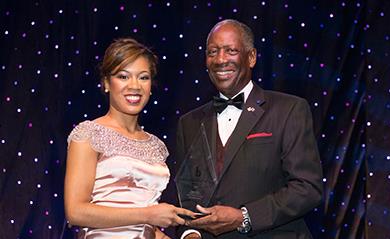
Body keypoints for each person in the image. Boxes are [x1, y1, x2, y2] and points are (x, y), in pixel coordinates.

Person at [175, 19, 323, 239]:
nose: (220, 60)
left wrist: (245, 217)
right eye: (212, 52)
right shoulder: (189, 122)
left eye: (230, 50)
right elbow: (186, 196)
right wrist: (191, 233)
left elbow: (307, 188)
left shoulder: (289, 109)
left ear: (251, 57)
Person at [64, 38, 195, 239]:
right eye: (123, 76)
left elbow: (144, 227)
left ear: (151, 86)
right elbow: (75, 212)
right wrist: (149, 215)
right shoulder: (88, 134)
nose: (134, 86)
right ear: (106, 83)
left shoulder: (155, 145)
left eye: (143, 77)